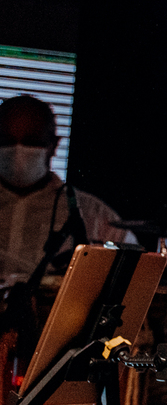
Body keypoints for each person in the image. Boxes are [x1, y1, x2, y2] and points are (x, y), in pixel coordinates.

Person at [0, 93, 135, 289]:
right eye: (7, 140)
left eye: (32, 141)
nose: (18, 150)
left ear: (54, 145)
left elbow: (130, 276)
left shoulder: (94, 216)